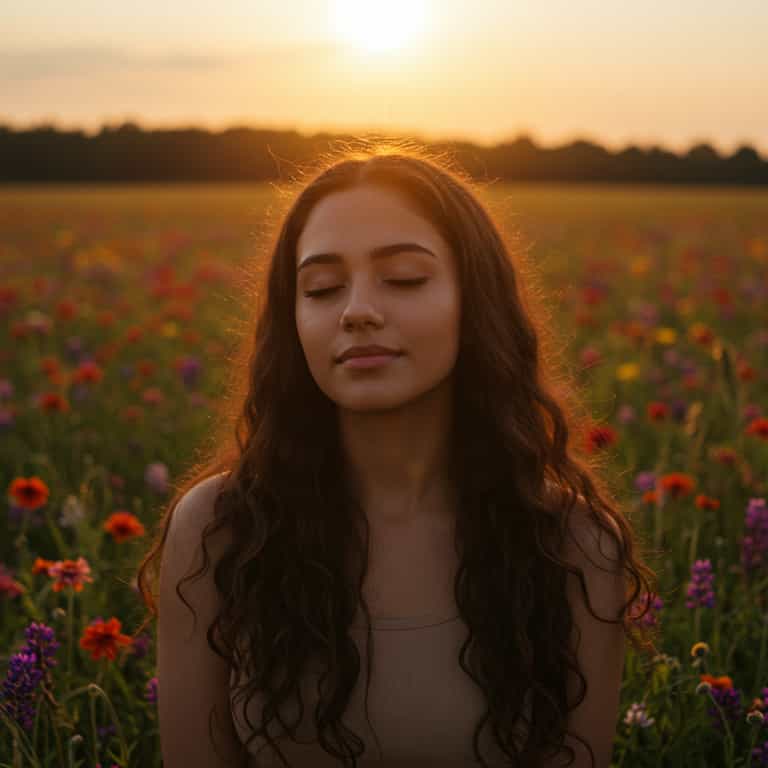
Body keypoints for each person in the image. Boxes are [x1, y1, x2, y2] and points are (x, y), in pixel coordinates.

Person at [135, 142, 659, 768]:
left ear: (475, 302)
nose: (357, 311)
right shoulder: (218, 528)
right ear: (292, 319)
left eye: (405, 278)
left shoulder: (574, 545)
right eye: (322, 288)